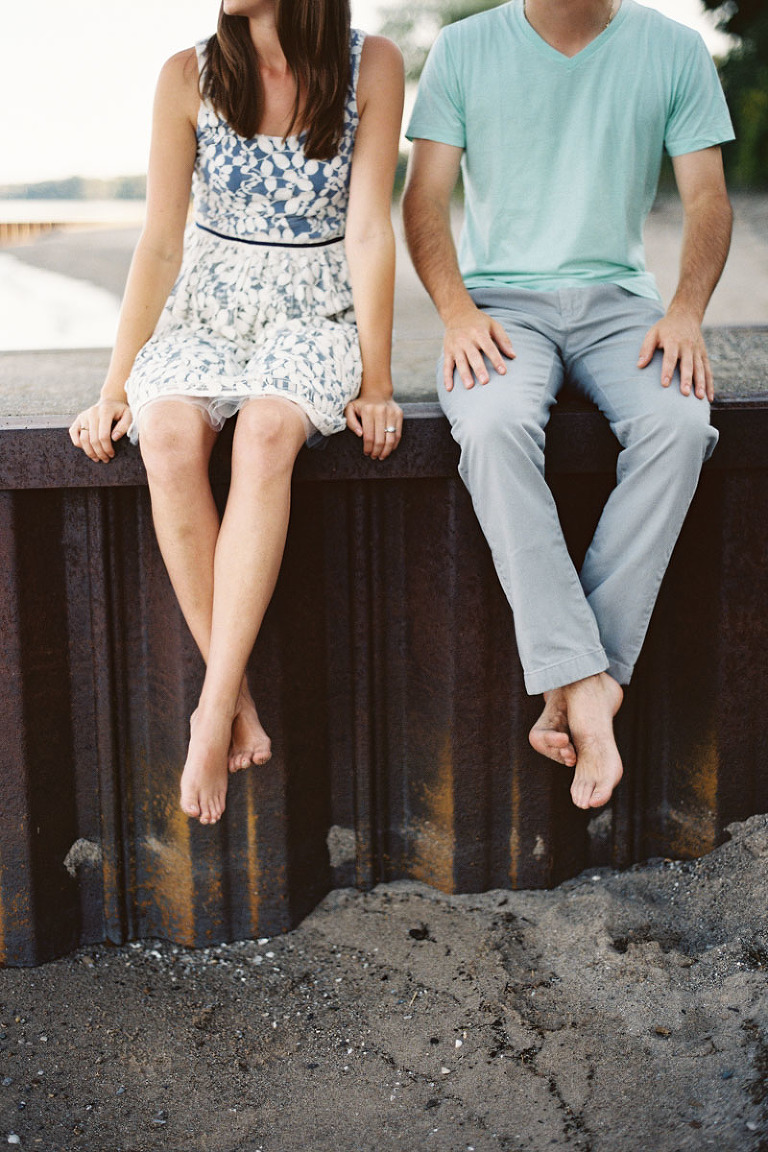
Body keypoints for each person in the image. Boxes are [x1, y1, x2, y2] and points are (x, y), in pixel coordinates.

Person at [70, 0, 404, 826]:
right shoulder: (188, 75)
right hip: (207, 308)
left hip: (314, 308)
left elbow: (368, 229)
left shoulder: (376, 66)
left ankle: (207, 712)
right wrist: (115, 387)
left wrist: (380, 381)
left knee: (264, 432)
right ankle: (233, 698)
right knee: (170, 433)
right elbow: (159, 241)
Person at [402, 0, 733, 810]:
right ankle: (591, 679)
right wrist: (455, 312)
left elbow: (709, 201)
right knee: (490, 425)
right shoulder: (463, 48)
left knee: (681, 424)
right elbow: (423, 199)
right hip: (498, 304)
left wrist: (685, 310)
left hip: (621, 300)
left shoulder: (675, 50)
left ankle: (582, 681)